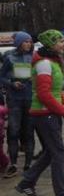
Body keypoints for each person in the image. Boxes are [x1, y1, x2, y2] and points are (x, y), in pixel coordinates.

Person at [15, 30, 64, 196]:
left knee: (50, 152)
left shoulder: (52, 63)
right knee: (59, 152)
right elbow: (44, 93)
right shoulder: (44, 64)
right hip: (45, 114)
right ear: (51, 44)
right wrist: (62, 110)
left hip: (50, 113)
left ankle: (26, 182)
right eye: (60, 41)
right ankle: (62, 195)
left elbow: (56, 89)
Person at [0, 31, 35, 178]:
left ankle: (28, 164)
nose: (28, 44)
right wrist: (12, 83)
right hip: (14, 99)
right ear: (19, 42)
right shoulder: (9, 57)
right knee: (13, 131)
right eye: (25, 41)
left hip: (30, 98)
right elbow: (1, 76)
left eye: (29, 42)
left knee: (28, 131)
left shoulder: (34, 57)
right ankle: (13, 164)